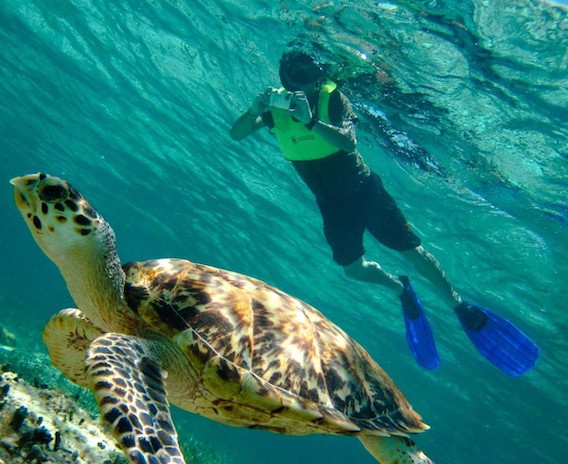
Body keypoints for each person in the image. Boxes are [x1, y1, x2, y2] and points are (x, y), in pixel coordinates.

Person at [230, 50, 538, 375]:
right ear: (286, 81)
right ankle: (400, 288)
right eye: (298, 80)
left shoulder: (333, 100)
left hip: (365, 192)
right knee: (353, 269)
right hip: (332, 205)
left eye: (312, 78)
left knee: (411, 251)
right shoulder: (277, 110)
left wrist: (310, 119)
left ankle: (458, 304)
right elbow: (236, 133)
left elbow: (349, 142)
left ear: (320, 76)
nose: (306, 85)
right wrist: (253, 112)